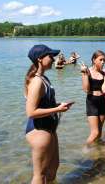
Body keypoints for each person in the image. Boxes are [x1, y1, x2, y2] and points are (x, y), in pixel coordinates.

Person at [25, 44, 74, 184]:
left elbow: (43, 104)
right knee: (39, 175)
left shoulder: (44, 78)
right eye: (50, 56)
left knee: (53, 168)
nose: (53, 59)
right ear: (40, 59)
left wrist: (58, 105)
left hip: (49, 128)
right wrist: (57, 110)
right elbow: (31, 112)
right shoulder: (36, 82)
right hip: (39, 130)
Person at [80, 50, 105, 144]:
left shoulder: (104, 74)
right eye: (101, 60)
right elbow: (86, 89)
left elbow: (104, 90)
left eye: (104, 60)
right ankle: (85, 151)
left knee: (99, 132)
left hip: (102, 102)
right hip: (92, 102)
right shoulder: (87, 71)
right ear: (94, 60)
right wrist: (85, 74)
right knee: (95, 133)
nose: (103, 62)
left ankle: (96, 152)